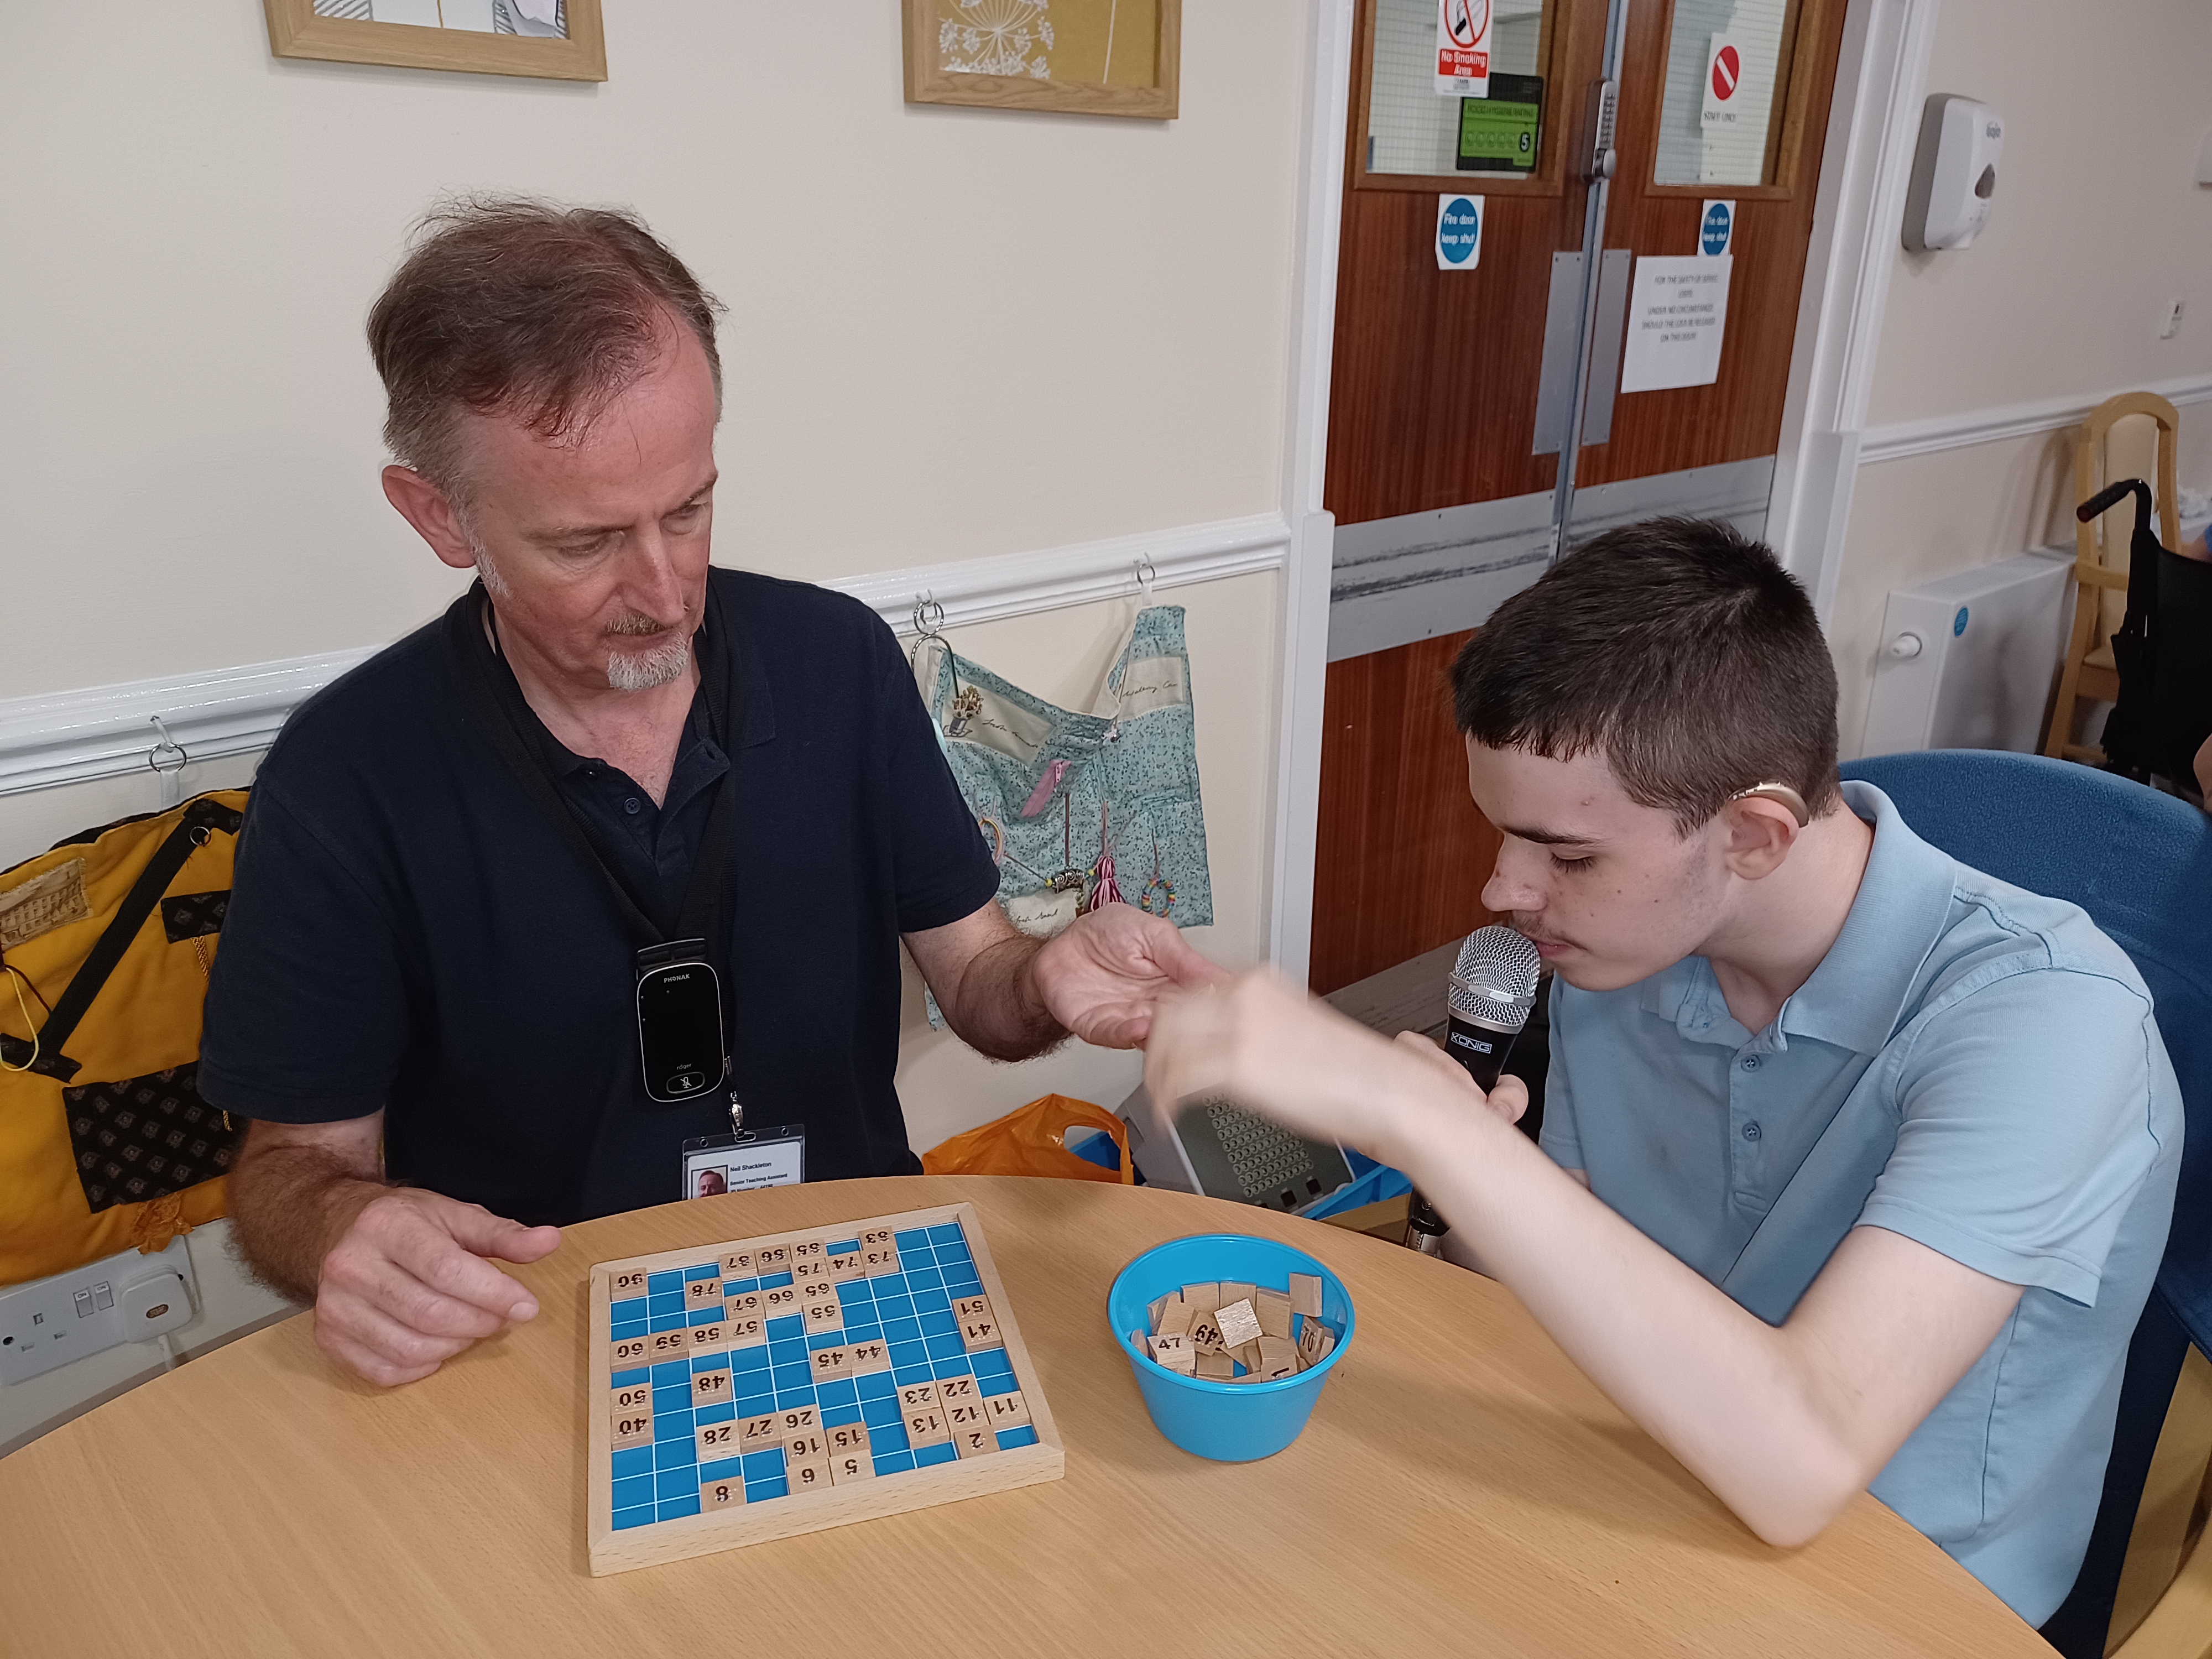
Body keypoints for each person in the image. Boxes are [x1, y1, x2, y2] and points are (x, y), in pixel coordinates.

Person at [201, 199, 1222, 1389]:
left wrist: (1045, 973)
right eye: (585, 544)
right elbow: (290, 1170)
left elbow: (983, 988)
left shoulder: (836, 662)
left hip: (854, 1282)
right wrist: (339, 1235)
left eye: (687, 510)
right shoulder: (346, 777)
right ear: (439, 514)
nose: (663, 589)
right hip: (534, 1334)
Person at [1144, 519, 2181, 1628]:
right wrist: (1478, 1195)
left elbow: (1803, 1457)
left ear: (1752, 836)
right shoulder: (1626, 958)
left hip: (1898, 1598)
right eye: (1503, 835)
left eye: (1567, 854)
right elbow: (1577, 1280)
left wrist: (1414, 1121)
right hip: (1623, 1488)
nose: (1502, 890)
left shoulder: (2049, 1021)